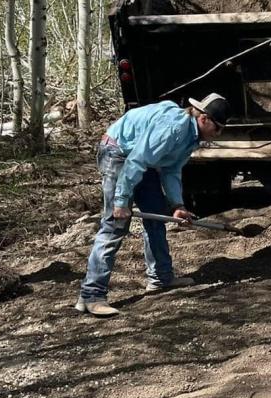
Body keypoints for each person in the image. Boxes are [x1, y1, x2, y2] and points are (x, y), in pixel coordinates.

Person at [76, 93, 231, 317]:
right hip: (118, 153)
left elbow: (171, 169)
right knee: (115, 225)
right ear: (204, 119)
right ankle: (91, 295)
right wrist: (121, 200)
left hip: (141, 159)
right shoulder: (173, 129)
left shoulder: (191, 137)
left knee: (155, 215)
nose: (219, 134)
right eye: (218, 128)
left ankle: (161, 278)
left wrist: (177, 204)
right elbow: (136, 160)